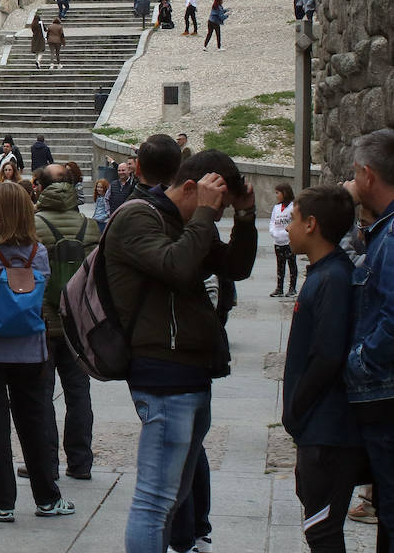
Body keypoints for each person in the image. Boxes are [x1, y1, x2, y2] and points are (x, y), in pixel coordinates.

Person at [105, 150, 256, 552]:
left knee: (174, 495)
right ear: (191, 188)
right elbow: (177, 267)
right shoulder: (138, 217)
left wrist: (244, 216)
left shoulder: (187, 221)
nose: (216, 216)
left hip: (191, 370)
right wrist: (205, 217)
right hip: (161, 372)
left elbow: (234, 268)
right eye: (214, 206)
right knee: (154, 500)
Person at [0, 182, 74, 521]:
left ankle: (2, 502)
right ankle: (48, 498)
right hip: (29, 352)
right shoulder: (37, 252)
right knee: (34, 424)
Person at [280, 184, 364, 553]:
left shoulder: (333, 278)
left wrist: (297, 408)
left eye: (293, 220)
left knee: (323, 532)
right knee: (320, 528)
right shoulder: (323, 273)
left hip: (328, 431)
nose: (287, 228)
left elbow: (328, 356)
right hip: (318, 428)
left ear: (311, 224)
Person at [29, 165, 100, 481]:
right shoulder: (91, 226)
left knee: (41, 397)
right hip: (78, 325)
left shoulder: (34, 225)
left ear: (40, 189)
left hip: (43, 321)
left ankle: (46, 464)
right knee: (79, 393)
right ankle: (81, 462)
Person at [345, 129, 394, 552]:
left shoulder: (392, 237)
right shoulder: (383, 231)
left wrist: (362, 360)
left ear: (368, 174)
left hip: (385, 391)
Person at [269, 183, 298, 297]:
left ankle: (292, 288)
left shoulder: (293, 206)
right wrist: (273, 232)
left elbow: (295, 221)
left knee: (291, 264)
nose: (276, 195)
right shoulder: (276, 208)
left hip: (288, 241)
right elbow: (272, 221)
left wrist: (286, 232)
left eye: (278, 193)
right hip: (277, 241)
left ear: (285, 193)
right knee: (280, 265)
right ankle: (279, 288)